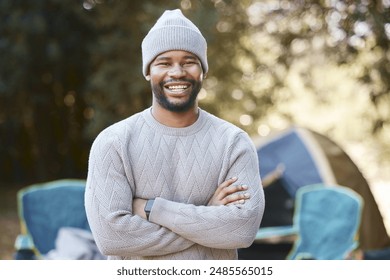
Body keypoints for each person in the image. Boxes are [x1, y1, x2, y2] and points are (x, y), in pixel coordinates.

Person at [85, 9, 265, 260]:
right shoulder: (113, 142)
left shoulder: (233, 142)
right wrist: (208, 215)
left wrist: (152, 209)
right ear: (148, 71)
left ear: (202, 70)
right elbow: (112, 238)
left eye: (189, 61)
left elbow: (242, 229)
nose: (177, 72)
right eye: (164, 62)